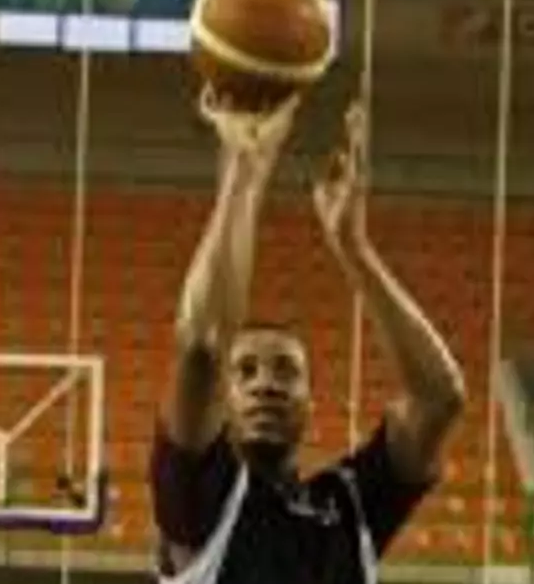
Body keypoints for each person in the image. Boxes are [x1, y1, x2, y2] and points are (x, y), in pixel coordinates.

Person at [149, 91, 467, 584]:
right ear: (221, 405)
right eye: (246, 372)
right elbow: (202, 345)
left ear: (311, 403)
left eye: (286, 371)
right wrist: (246, 170)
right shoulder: (198, 500)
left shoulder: (349, 505)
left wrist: (354, 248)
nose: (266, 384)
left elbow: (440, 398)